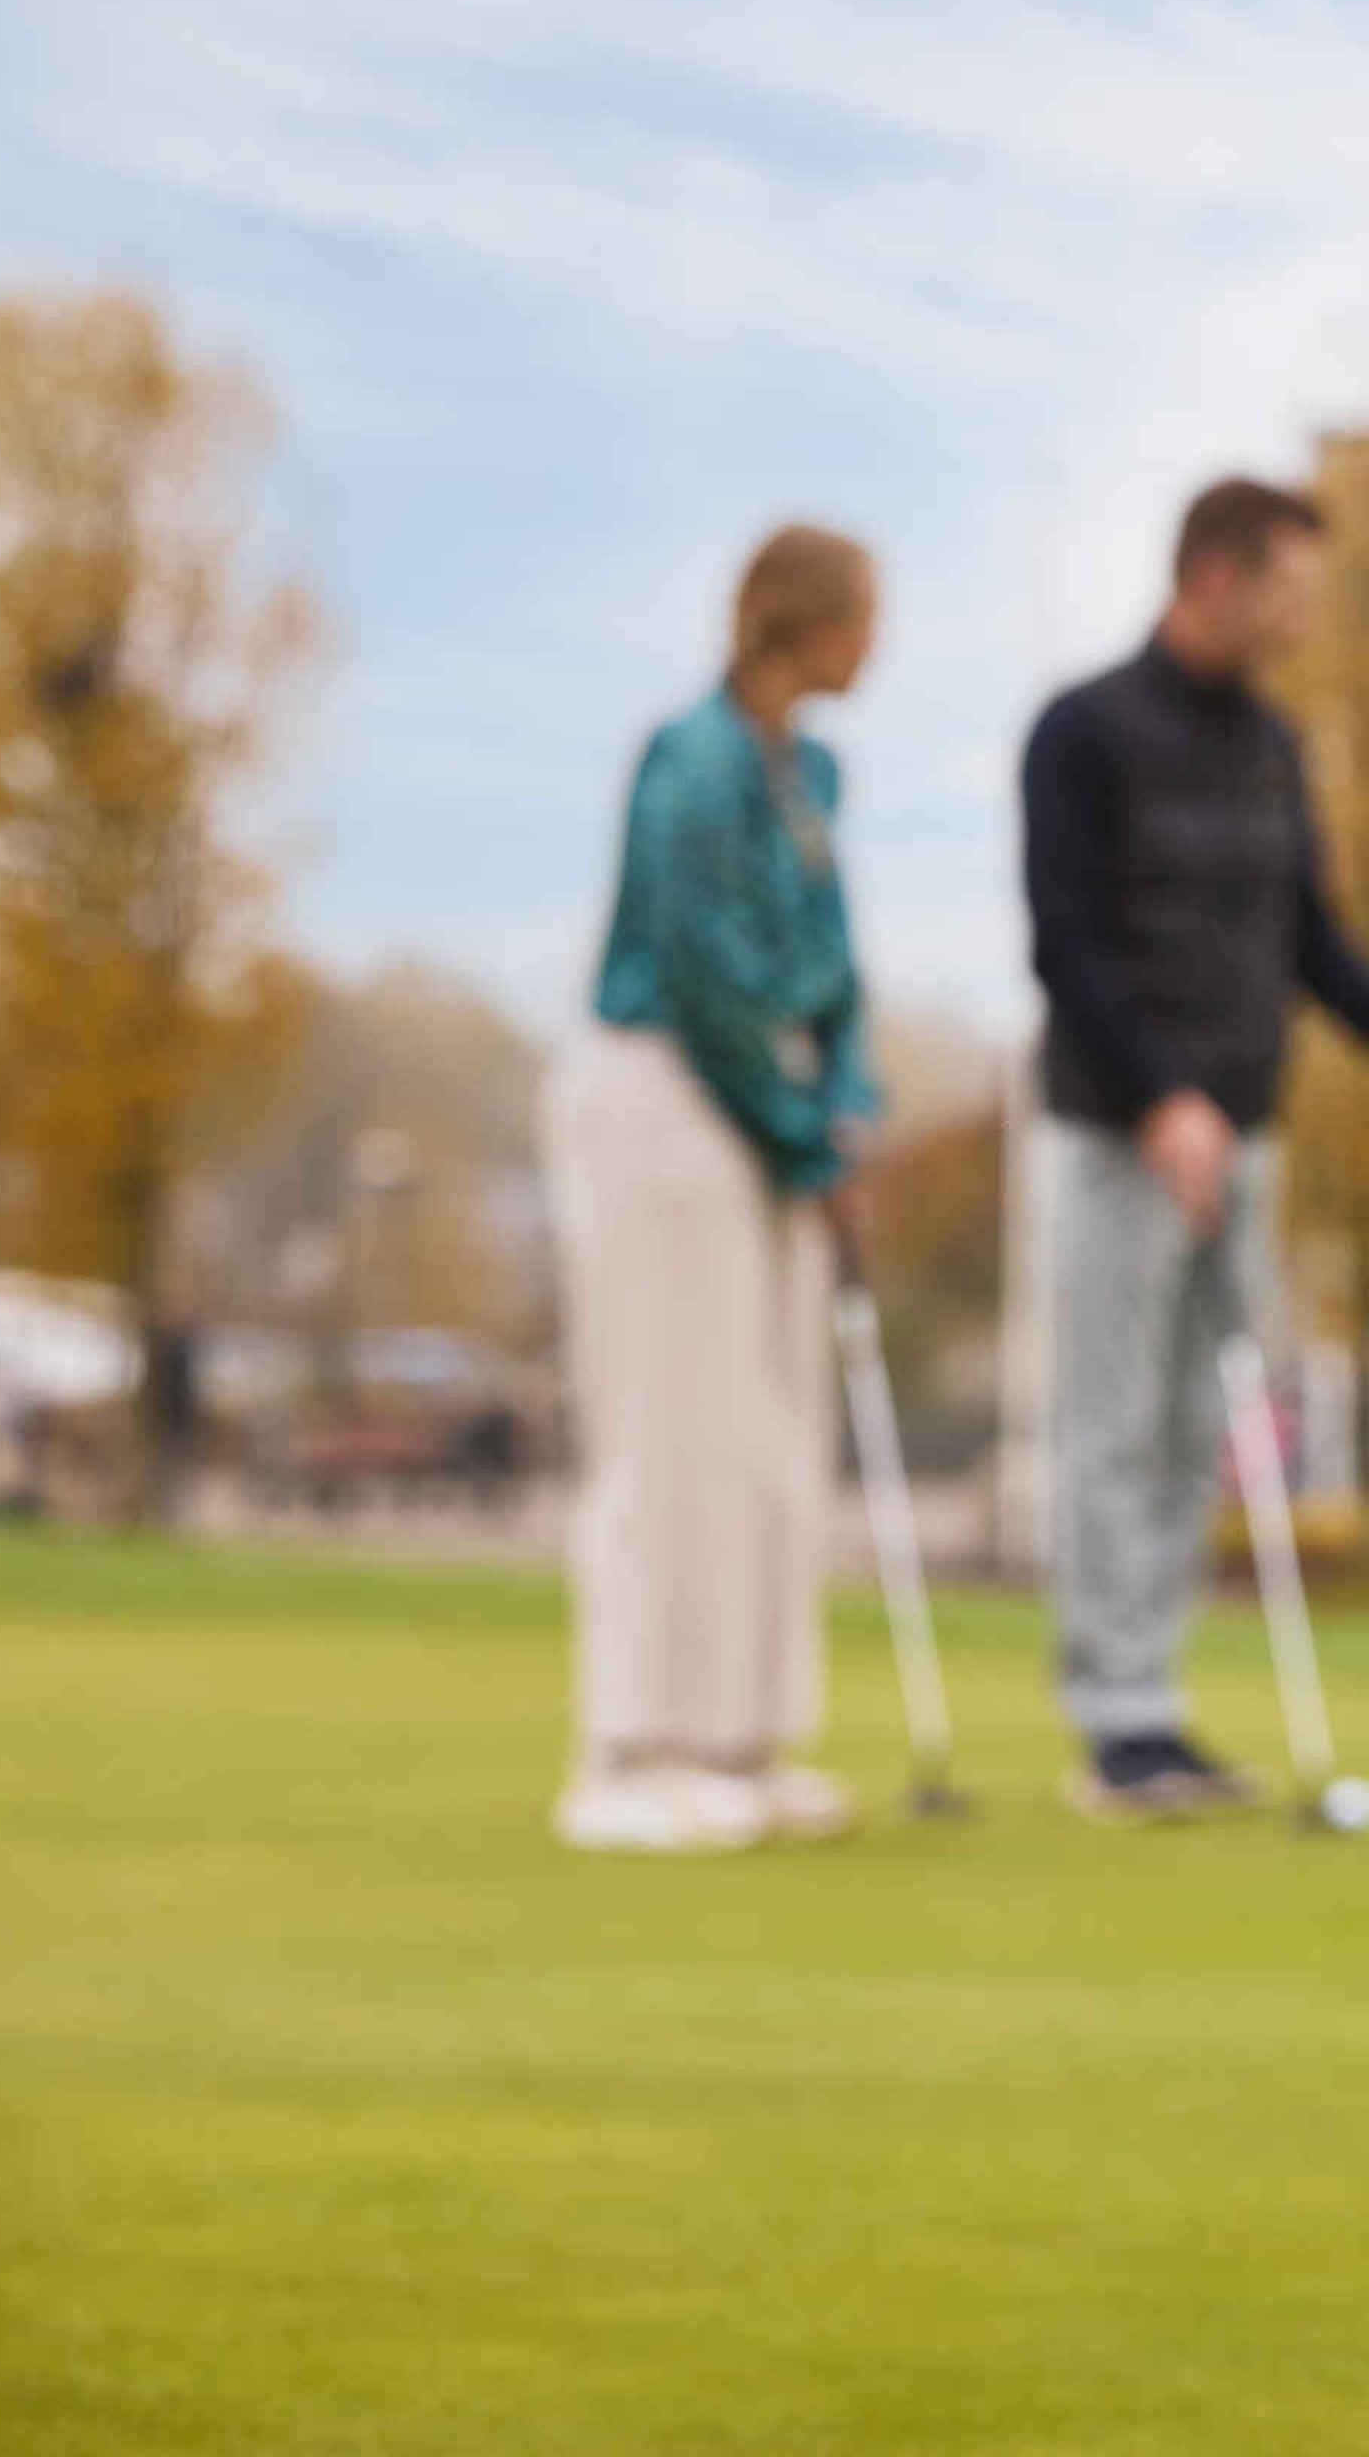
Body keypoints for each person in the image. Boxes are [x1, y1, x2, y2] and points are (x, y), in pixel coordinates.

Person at [1024, 475, 1369, 1823]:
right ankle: (1112, 1721)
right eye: (1294, 587)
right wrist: (1158, 1098)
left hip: (1243, 1136)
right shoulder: (1082, 733)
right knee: (1115, 1422)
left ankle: (1153, 1703)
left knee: (1202, 1424)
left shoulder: (1267, 743)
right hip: (1112, 1137)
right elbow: (1066, 943)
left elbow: (1309, 938)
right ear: (1217, 575)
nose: (1311, 613)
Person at [541, 525, 884, 1856]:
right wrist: (803, 1133)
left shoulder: (817, 774)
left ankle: (739, 1737)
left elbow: (835, 967)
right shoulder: (686, 760)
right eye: (868, 613)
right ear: (808, 619)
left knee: (760, 1436)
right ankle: (628, 1750)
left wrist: (846, 1104)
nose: (881, 642)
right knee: (665, 1427)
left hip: (770, 1117)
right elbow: (701, 974)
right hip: (662, 1103)